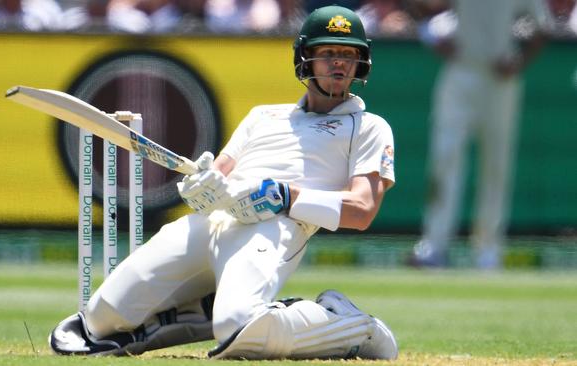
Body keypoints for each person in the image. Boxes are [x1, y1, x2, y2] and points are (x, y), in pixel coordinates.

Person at [49, 5, 398, 360]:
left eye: (348, 55)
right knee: (100, 318)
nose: (339, 64)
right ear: (305, 58)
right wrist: (201, 186)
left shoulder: (368, 126)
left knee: (237, 326)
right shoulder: (263, 116)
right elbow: (220, 173)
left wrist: (285, 197)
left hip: (272, 229)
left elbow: (362, 210)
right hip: (212, 223)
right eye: (328, 54)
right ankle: (204, 311)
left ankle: (353, 326)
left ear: (361, 63)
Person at [410, 0, 554, 269]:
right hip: (461, 69)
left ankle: (488, 250)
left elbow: (543, 27)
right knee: (445, 158)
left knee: (497, 164)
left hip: (500, 79)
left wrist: (519, 62)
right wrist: (428, 33)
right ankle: (433, 246)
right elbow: (427, 7)